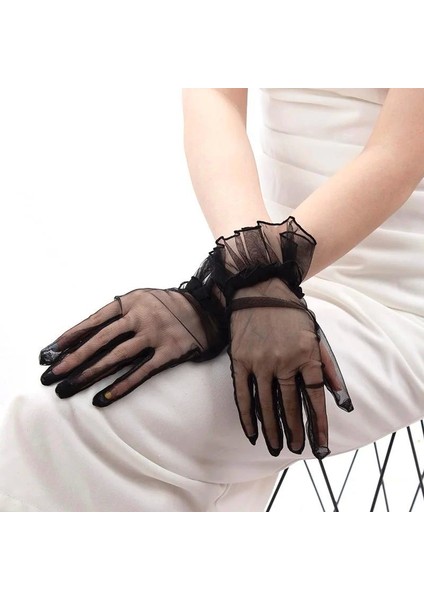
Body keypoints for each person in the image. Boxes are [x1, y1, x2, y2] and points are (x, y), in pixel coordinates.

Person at [0, 88, 423, 511]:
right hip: (273, 261)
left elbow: (397, 154)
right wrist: (244, 277)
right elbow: (215, 97)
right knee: (57, 410)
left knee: (79, 423)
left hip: (398, 296)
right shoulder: (255, 271)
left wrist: (241, 284)